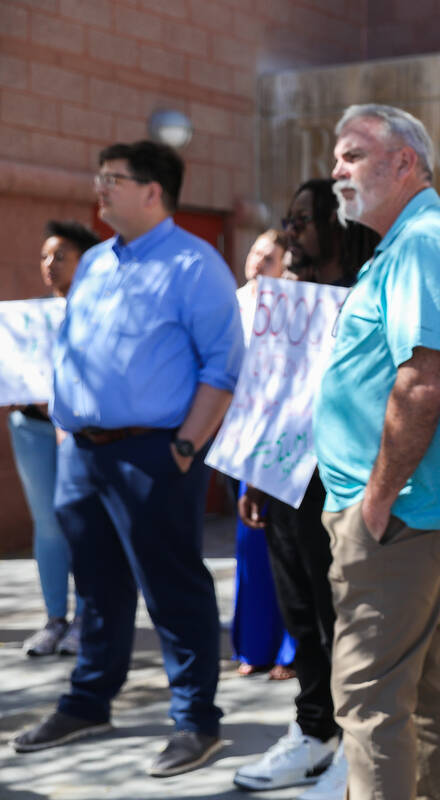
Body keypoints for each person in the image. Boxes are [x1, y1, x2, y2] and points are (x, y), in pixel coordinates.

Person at [13, 140, 243, 778]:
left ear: (153, 192)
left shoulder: (195, 266)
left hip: (155, 453)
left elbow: (222, 369)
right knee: (96, 589)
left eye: (114, 179)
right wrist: (68, 426)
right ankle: (89, 700)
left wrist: (184, 448)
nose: (101, 188)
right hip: (83, 454)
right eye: (101, 177)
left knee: (172, 589)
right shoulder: (95, 265)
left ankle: (196, 721)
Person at [315, 104, 440, 799]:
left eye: (353, 154)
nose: (338, 169)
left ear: (405, 163)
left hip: (397, 514)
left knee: (368, 702)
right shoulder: (414, 243)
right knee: (423, 695)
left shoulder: (425, 243)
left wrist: (375, 501)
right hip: (407, 512)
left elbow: (423, 382)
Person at [234, 179, 379, 800]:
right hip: (282, 478)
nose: (289, 232)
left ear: (337, 228)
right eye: (287, 220)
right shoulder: (284, 301)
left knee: (338, 617)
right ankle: (314, 729)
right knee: (299, 611)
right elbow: (267, 393)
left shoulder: (367, 297)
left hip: (342, 484)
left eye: (302, 220)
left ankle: (355, 747)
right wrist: (253, 472)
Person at [11, 220, 99, 657]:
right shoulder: (28, 320)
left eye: (60, 256)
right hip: (31, 428)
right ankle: (54, 619)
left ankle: (86, 618)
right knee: (46, 525)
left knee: (80, 522)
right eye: (45, 256)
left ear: (86, 262)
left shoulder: (101, 314)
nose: (50, 264)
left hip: (81, 432)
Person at [228, 227, 299, 681]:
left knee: (290, 548)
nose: (258, 261)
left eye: (269, 257)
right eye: (255, 252)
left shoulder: (296, 309)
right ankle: (253, 645)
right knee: (250, 546)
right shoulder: (231, 303)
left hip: (288, 437)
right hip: (244, 437)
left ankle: (291, 652)